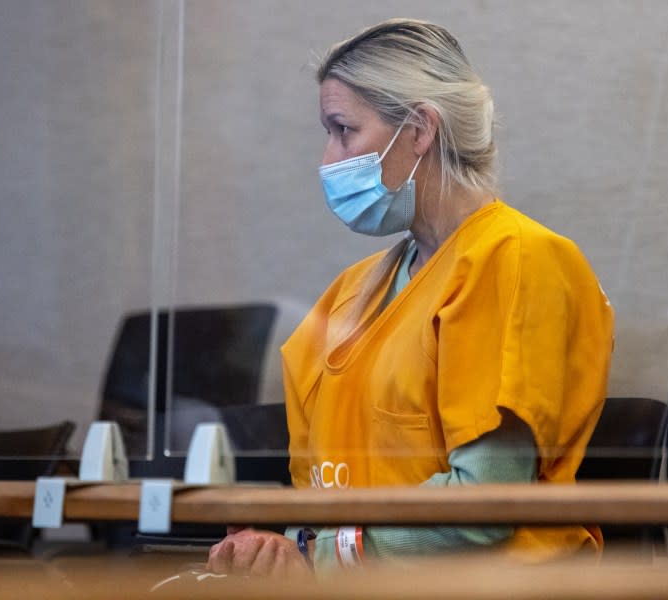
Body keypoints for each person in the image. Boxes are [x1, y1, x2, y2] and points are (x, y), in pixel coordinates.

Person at [206, 18, 614, 578]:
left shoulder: (513, 257)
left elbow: (482, 507)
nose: (328, 160)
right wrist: (282, 542)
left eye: (343, 129)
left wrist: (312, 556)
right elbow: (324, 496)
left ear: (420, 129)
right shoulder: (353, 291)